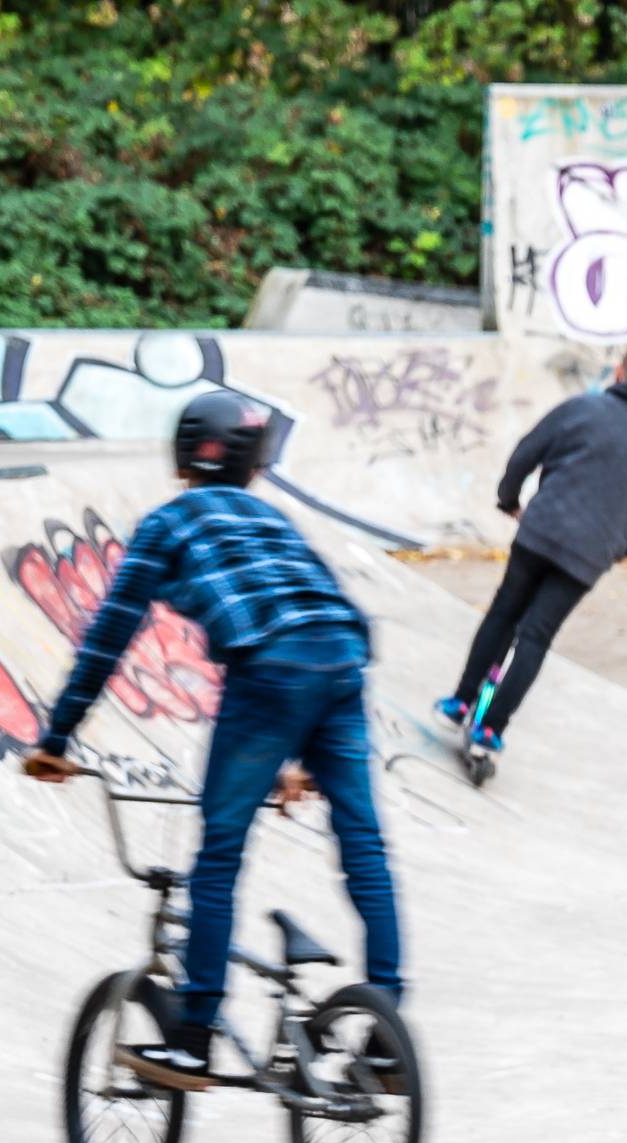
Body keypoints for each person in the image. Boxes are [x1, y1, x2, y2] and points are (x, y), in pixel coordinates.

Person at [23, 390, 402, 1089]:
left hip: (268, 673)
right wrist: (302, 752)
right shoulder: (275, 520)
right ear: (253, 466)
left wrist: (58, 737)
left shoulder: (167, 524)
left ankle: (193, 1038)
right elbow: (315, 619)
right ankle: (387, 1033)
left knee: (219, 851)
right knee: (364, 847)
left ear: (182, 460)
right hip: (343, 663)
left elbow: (107, 638)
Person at [436, 338, 627, 756]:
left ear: (619, 373)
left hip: (539, 532)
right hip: (588, 556)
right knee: (536, 636)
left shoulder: (580, 409)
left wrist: (509, 500)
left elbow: (526, 453)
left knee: (505, 611)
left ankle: (460, 701)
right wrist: (623, 548)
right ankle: (490, 731)